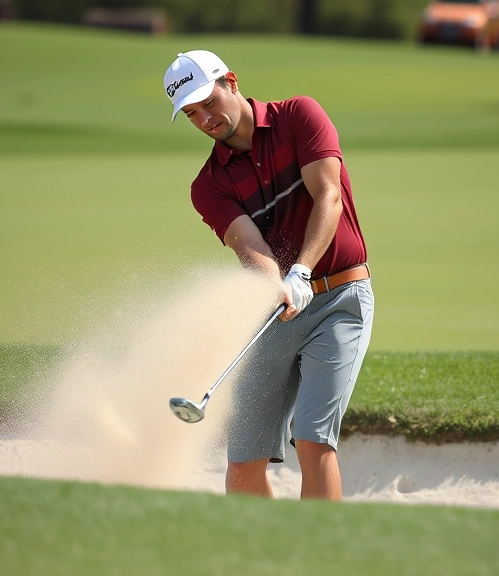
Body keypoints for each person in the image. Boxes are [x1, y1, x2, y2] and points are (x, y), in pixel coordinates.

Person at [163, 50, 374, 501]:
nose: (204, 119)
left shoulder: (299, 116)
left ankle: (322, 559)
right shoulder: (209, 186)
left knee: (314, 439)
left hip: (340, 299)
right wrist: (278, 284)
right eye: (190, 113)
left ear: (231, 82)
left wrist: (300, 269)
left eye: (206, 102)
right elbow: (250, 247)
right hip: (276, 311)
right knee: (242, 463)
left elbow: (329, 197)